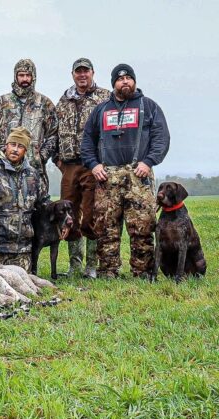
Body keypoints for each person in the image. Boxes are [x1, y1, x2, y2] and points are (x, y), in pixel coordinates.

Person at [81, 64, 170, 278]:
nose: (125, 82)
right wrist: (94, 165)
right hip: (107, 177)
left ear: (135, 82)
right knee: (106, 228)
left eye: (129, 78)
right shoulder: (101, 110)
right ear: (114, 84)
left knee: (142, 227)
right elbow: (87, 142)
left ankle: (143, 272)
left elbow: (162, 138)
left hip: (138, 176)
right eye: (120, 79)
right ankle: (108, 271)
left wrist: (148, 162)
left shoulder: (149, 107)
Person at [53, 58, 110, 278]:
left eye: (86, 71)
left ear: (93, 73)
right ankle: (75, 264)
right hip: (68, 166)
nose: (82, 75)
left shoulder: (104, 98)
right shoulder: (63, 100)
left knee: (91, 215)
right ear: (73, 74)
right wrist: (57, 159)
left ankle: (92, 265)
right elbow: (54, 131)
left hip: (93, 165)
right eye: (78, 72)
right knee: (69, 215)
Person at [0, 127, 48, 270]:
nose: (15, 149)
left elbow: (43, 203)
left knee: (22, 288)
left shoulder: (33, 174)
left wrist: (64, 219)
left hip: (23, 249)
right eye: (12, 144)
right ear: (6, 145)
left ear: (25, 150)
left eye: (20, 146)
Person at [0, 59, 58, 196]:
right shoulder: (3, 102)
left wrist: (41, 156)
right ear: (15, 76)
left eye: (28, 75)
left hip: (34, 168)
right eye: (21, 75)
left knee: (37, 209)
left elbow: (53, 134)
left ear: (33, 77)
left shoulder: (44, 103)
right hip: (5, 167)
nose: (25, 79)